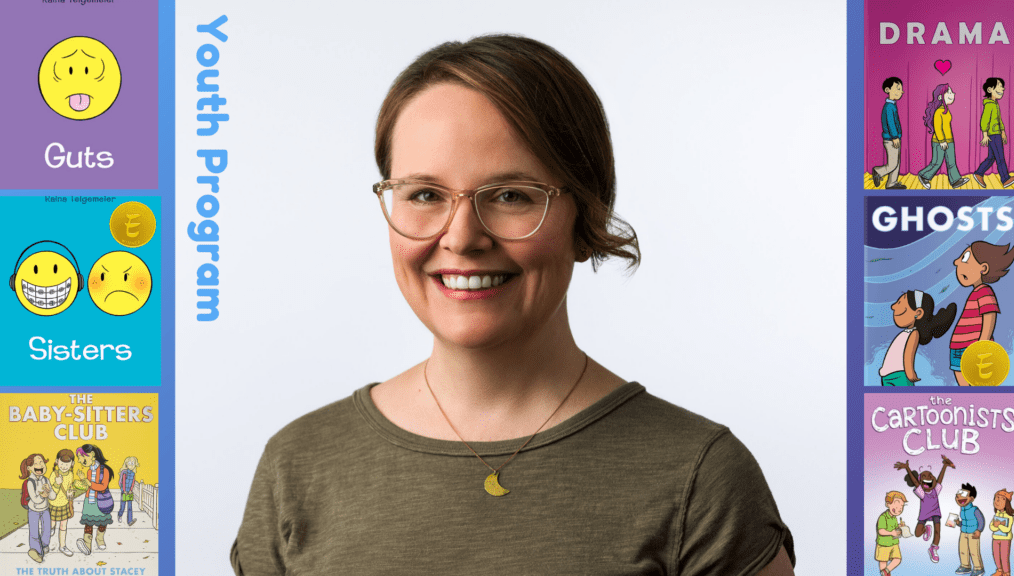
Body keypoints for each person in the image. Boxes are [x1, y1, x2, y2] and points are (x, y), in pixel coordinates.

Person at [231, 35, 795, 575]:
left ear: (587, 216)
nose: (462, 237)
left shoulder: (700, 478)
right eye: (424, 194)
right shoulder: (297, 465)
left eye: (510, 196)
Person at [949, 241, 1014, 385]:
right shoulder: (975, 292)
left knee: (977, 386)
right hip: (957, 347)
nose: (956, 262)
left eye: (965, 258)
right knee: (964, 388)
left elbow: (989, 315)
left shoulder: (984, 291)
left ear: (983, 268)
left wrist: (982, 344)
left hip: (972, 347)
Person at [879, 290, 956, 385]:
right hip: (887, 376)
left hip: (900, 376)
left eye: (899, 303)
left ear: (918, 313)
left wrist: (910, 373)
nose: (893, 306)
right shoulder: (904, 333)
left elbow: (908, 353)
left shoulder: (914, 334)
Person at [895, 456, 955, 563]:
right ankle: (926, 528)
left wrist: (945, 466)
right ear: (920, 482)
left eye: (930, 475)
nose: (928, 477)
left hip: (936, 513)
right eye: (924, 476)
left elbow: (940, 478)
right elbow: (915, 482)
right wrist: (907, 468)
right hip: (924, 514)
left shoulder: (936, 490)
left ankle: (933, 548)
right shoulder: (921, 492)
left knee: (937, 532)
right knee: (917, 533)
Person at [972, 77, 1014, 189]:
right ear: (989, 90)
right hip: (993, 135)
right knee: (1000, 158)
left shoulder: (995, 104)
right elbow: (984, 121)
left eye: (1002, 88)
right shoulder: (989, 105)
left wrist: (1003, 131)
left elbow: (999, 120)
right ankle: (1005, 179)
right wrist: (985, 135)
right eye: (999, 87)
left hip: (997, 133)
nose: (1002, 89)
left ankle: (979, 173)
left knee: (991, 157)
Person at [918, 84, 968, 189]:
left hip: (949, 140)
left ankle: (955, 181)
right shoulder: (939, 111)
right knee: (937, 162)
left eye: (952, 92)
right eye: (949, 92)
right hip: (939, 141)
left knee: (951, 162)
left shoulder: (946, 110)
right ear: (940, 97)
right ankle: (924, 176)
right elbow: (937, 128)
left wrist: (948, 140)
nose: (952, 94)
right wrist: (941, 141)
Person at [74, 444, 115, 555]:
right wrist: (80, 483)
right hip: (89, 501)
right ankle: (87, 545)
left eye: (80, 457)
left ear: (91, 455)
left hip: (101, 501)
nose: (79, 460)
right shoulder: (89, 471)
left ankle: (99, 539)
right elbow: (89, 486)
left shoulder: (104, 470)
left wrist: (87, 482)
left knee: (102, 522)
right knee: (88, 523)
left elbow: (102, 486)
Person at [20, 453, 56, 564]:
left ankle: (44, 545)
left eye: (41, 462)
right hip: (33, 510)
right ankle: (36, 551)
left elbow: (53, 497)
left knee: (47, 530)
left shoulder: (45, 480)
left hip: (45, 509)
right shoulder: (30, 482)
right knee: (34, 532)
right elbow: (35, 499)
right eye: (35, 463)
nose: (39, 465)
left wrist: (49, 491)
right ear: (29, 468)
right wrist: (42, 495)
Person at [872, 77, 906, 189]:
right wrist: (895, 137)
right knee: (893, 163)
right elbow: (890, 123)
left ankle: (892, 183)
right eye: (897, 88)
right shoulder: (889, 107)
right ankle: (878, 171)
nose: (901, 91)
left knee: (897, 162)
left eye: (901, 89)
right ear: (887, 90)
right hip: (891, 139)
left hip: (894, 138)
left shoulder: (892, 105)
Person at [49, 448, 77, 557]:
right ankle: (50, 531)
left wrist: (70, 492)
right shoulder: (53, 474)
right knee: (52, 523)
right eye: (62, 463)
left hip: (64, 504)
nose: (64, 466)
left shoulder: (70, 474)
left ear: (72, 464)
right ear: (57, 461)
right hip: (53, 504)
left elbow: (69, 487)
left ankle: (62, 546)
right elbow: (51, 493)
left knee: (63, 526)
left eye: (67, 464)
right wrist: (57, 484)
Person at [954, 483, 985, 576]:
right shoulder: (962, 509)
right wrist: (960, 523)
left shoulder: (975, 509)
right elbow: (965, 521)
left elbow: (981, 520)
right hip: (963, 532)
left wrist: (979, 530)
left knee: (974, 551)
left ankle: (979, 568)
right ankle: (965, 566)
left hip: (973, 533)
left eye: (963, 494)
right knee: (962, 550)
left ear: (971, 498)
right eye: (958, 495)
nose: (959, 496)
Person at [876, 491, 907, 576]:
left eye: (901, 507)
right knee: (883, 562)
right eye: (896, 506)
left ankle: (886, 571)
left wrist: (899, 525)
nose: (899, 509)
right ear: (888, 504)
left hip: (894, 543)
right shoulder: (883, 517)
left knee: (897, 559)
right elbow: (881, 531)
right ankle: (885, 573)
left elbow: (893, 527)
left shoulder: (894, 518)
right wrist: (891, 533)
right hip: (883, 544)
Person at [989, 489, 1014, 576]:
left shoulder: (1009, 516)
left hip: (1005, 539)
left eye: (1001, 498)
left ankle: (1006, 572)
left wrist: (999, 525)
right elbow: (991, 526)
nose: (997, 501)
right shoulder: (996, 515)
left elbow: (1007, 529)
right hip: (995, 538)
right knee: (996, 555)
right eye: (996, 498)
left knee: (1004, 557)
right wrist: (996, 526)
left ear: (1006, 503)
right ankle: (999, 570)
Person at [117, 456, 139, 526]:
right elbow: (123, 482)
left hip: (129, 492)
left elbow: (132, 483)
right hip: (124, 491)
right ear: (126, 464)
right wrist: (124, 490)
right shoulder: (124, 473)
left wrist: (130, 490)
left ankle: (130, 521)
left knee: (130, 506)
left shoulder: (133, 474)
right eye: (129, 463)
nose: (131, 465)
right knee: (123, 506)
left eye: (133, 463)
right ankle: (119, 515)